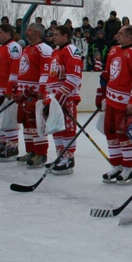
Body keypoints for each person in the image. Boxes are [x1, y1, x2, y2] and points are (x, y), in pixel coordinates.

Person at [98, 25, 132, 185]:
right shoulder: (113, 50)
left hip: (125, 102)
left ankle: (130, 168)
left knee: (125, 133)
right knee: (110, 132)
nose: (117, 35)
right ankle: (117, 165)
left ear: (130, 37)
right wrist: (101, 93)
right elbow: (108, 74)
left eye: (121, 33)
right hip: (111, 99)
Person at [44, 25, 85, 175]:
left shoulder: (71, 50)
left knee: (67, 129)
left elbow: (74, 77)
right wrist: (48, 98)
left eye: (56, 34)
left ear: (65, 36)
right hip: (54, 97)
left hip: (65, 97)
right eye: (53, 34)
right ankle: (60, 157)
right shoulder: (55, 51)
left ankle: (68, 159)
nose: (53, 37)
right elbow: (52, 76)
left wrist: (59, 98)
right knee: (56, 127)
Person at [13, 24, 53, 168]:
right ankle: (31, 151)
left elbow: (46, 72)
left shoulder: (45, 49)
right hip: (24, 94)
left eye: (29, 29)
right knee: (27, 124)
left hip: (34, 94)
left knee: (37, 124)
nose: (26, 32)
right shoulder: (27, 49)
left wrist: (41, 91)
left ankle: (40, 154)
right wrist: (17, 89)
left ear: (36, 32)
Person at [0, 24, 22, 161]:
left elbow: (15, 70)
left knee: (8, 118)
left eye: (0, 32)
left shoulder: (14, 47)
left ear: (8, 33)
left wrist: (10, 88)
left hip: (7, 91)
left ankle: (12, 145)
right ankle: (2, 142)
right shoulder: (0, 47)